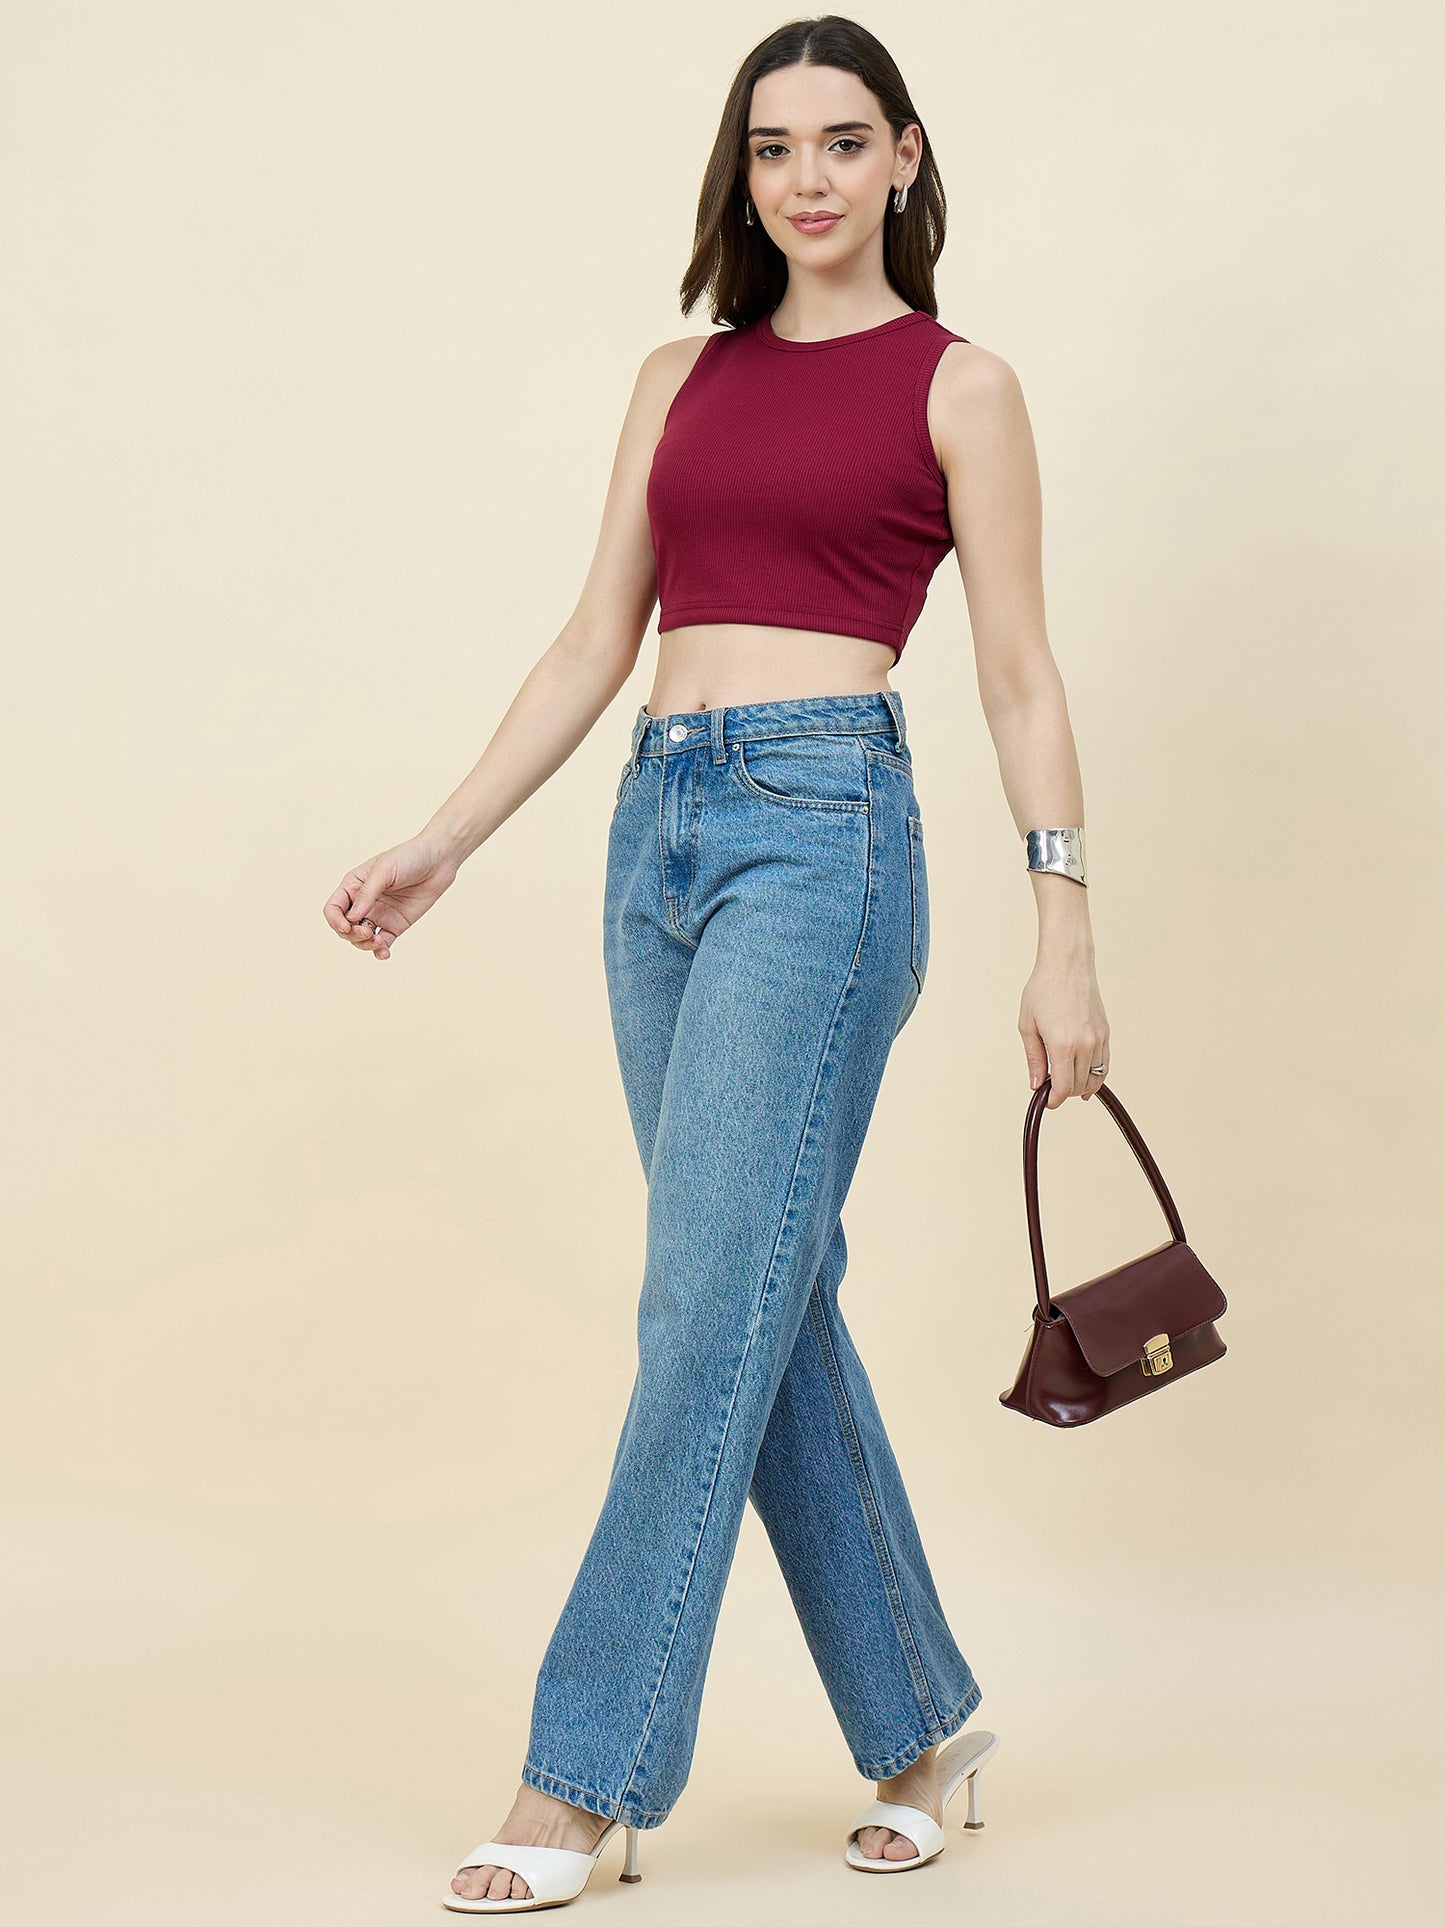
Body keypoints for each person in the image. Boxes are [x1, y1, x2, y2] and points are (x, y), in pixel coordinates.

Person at [324, 16, 1109, 1915]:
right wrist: (447, 831)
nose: (810, 178)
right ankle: (924, 1728)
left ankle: (579, 1776)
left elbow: (1013, 665)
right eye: (774, 149)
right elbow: (599, 634)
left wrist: (1060, 925)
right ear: (740, 174)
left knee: (702, 1308)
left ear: (906, 162)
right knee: (758, 1296)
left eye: (846, 142)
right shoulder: (678, 374)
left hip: (823, 839)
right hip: (652, 830)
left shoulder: (962, 385)